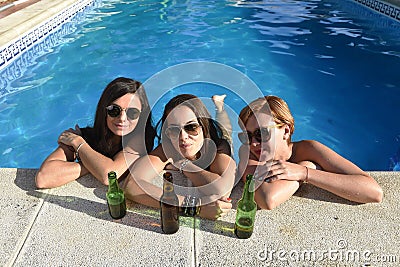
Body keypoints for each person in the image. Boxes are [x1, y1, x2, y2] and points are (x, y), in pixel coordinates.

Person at [237, 95, 383, 210]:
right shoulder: (249, 155)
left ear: (286, 131)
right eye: (247, 136)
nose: (253, 143)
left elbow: (374, 192)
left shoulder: (308, 149)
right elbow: (267, 199)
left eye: (261, 133)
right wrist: (309, 166)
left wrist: (305, 173)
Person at [123, 94, 236, 220]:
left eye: (191, 127)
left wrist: (183, 164)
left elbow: (222, 190)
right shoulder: (169, 146)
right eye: (174, 130)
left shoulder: (219, 147)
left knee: (226, 131)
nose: (183, 137)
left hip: (220, 139)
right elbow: (131, 186)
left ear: (204, 126)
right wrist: (193, 206)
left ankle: (219, 107)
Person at [35, 77, 156, 188]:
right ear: (104, 110)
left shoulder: (142, 139)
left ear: (142, 115)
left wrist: (79, 145)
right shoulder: (87, 135)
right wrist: (93, 163)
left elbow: (109, 176)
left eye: (132, 112)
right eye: (114, 110)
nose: (122, 118)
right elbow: (43, 178)